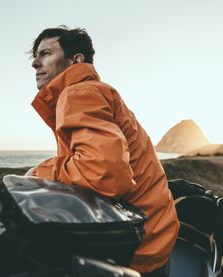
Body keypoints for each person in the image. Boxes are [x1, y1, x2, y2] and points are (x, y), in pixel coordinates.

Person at [28, 26, 180, 276]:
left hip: (135, 246)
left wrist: (37, 173)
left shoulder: (80, 92)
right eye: (35, 55)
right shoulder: (95, 91)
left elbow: (103, 172)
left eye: (45, 53)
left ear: (76, 60)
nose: (35, 63)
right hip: (155, 233)